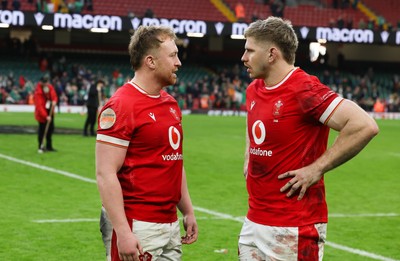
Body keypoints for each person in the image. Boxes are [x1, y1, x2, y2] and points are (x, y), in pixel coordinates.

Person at [239, 17, 379, 261]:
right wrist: (248, 154)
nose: (243, 57)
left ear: (272, 54)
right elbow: (253, 128)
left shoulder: (304, 89)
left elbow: (364, 125)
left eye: (250, 50)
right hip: (255, 220)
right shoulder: (254, 88)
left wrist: (317, 168)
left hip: (295, 225)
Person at [96, 25, 198, 261]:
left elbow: (174, 162)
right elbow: (105, 173)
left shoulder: (170, 104)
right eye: (173, 55)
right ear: (151, 61)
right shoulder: (121, 105)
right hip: (137, 224)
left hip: (169, 223)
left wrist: (188, 210)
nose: (179, 62)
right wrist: (122, 231)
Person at [34, 75, 58, 153]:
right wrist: (46, 116)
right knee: (42, 130)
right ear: (41, 83)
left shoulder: (49, 87)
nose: (46, 84)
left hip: (49, 111)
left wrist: (54, 101)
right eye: (45, 82)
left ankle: (49, 146)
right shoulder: (38, 92)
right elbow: (39, 106)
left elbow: (54, 95)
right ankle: (41, 146)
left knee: (50, 129)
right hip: (42, 114)